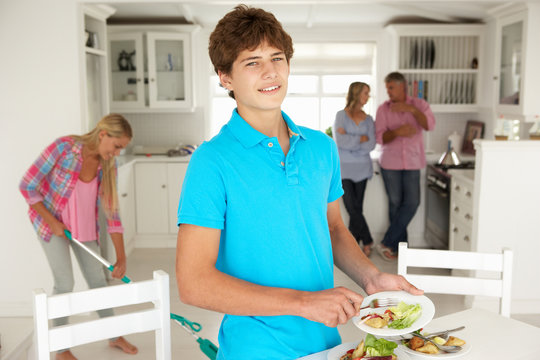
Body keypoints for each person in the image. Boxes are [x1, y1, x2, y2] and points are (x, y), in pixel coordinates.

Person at [175, 5, 423, 360]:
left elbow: (334, 228)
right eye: (252, 62)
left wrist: (370, 279)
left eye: (277, 57)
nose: (270, 71)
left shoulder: (321, 148)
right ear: (225, 77)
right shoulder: (211, 161)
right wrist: (303, 303)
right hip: (255, 347)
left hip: (326, 341)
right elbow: (194, 283)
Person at [19, 114, 138, 360]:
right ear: (103, 134)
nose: (116, 153)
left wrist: (121, 258)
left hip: (82, 228)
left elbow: (112, 212)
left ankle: (113, 335)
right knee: (64, 283)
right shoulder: (63, 148)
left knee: (97, 280)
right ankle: (60, 348)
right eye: (116, 146)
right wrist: (52, 221)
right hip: (50, 225)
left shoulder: (107, 165)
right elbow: (27, 184)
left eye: (121, 149)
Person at [375, 72, 435, 261]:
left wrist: (412, 110)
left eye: (391, 88)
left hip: (413, 162)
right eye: (387, 88)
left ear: (403, 86)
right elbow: (380, 138)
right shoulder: (383, 110)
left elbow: (429, 126)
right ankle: (401, 249)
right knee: (395, 204)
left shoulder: (420, 105)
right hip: (390, 163)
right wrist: (398, 132)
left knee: (412, 203)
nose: (389, 92)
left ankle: (387, 243)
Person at [333, 82, 376, 257]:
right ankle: (367, 241)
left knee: (357, 208)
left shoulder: (369, 119)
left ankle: (353, 248)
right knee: (352, 208)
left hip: (362, 168)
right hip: (344, 168)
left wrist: (351, 139)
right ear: (357, 94)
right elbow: (340, 142)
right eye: (366, 93)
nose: (368, 96)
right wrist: (360, 139)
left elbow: (371, 144)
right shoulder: (341, 116)